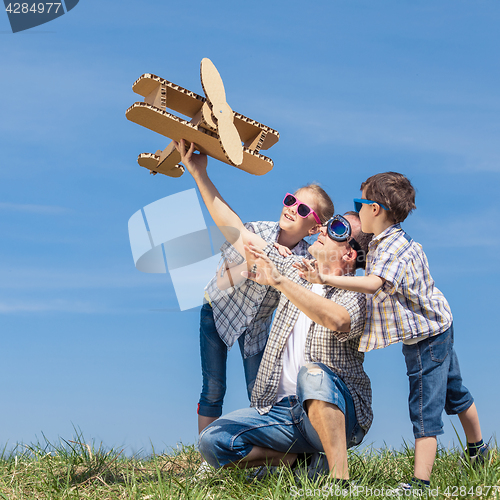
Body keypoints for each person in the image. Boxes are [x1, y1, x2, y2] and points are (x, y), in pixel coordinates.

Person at [175, 140, 373, 482]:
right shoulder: (295, 266)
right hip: (284, 415)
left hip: (338, 411)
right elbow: (239, 233)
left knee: (314, 375)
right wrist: (199, 172)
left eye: (338, 229)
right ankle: (294, 463)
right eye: (329, 224)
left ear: (350, 255)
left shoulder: (354, 292)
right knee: (214, 441)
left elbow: (337, 319)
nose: (325, 230)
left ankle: (339, 481)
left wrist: (280, 282)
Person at [295, 171, 488, 489]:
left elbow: (372, 284)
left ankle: (420, 484)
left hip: (426, 339)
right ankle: (478, 450)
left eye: (360, 204)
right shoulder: (386, 242)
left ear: (376, 209)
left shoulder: (390, 251)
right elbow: (353, 253)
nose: (356, 211)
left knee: (424, 407)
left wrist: (324, 279)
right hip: (439, 325)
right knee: (455, 393)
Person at [191, 164, 334, 435]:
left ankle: (265, 448)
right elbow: (222, 280)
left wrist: (278, 261)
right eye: (291, 200)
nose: (292, 208)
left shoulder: (304, 259)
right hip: (219, 310)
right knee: (213, 387)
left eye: (303, 209)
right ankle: (205, 458)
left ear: (314, 227)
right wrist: (259, 258)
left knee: (259, 390)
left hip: (256, 325)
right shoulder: (257, 231)